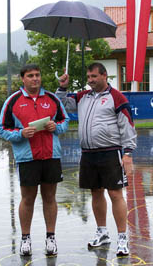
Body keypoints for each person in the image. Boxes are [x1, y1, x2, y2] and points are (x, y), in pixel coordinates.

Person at [56, 62, 137, 256]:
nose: (90, 80)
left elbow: (128, 126)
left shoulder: (117, 97)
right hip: (88, 154)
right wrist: (62, 87)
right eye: (89, 77)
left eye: (94, 76)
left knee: (116, 195)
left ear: (104, 76)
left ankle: (123, 238)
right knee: (96, 193)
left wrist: (127, 154)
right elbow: (61, 104)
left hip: (111, 153)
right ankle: (102, 233)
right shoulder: (83, 96)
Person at [0, 63, 69, 256]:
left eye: (37, 75)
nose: (35, 78)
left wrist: (57, 127)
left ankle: (50, 238)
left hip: (51, 156)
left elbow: (65, 121)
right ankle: (25, 239)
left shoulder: (52, 99)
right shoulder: (13, 101)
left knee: (50, 198)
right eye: (30, 75)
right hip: (27, 158)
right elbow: (2, 129)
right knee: (28, 199)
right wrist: (21, 133)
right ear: (23, 78)